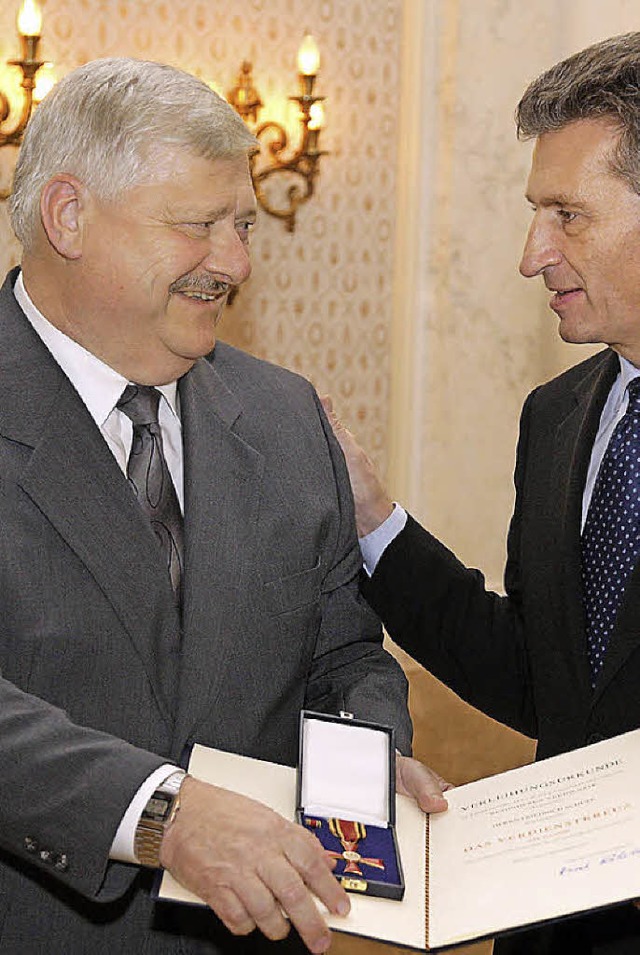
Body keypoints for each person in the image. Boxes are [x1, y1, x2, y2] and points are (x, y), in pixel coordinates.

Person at [0, 57, 448, 955]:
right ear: (68, 216)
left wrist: (359, 765)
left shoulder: (286, 417)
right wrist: (160, 812)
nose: (236, 263)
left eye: (241, 224)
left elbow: (345, 651)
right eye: (199, 225)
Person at [324, 32, 640, 955]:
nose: (531, 254)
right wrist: (376, 524)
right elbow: (546, 682)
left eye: (567, 215)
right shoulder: (557, 416)